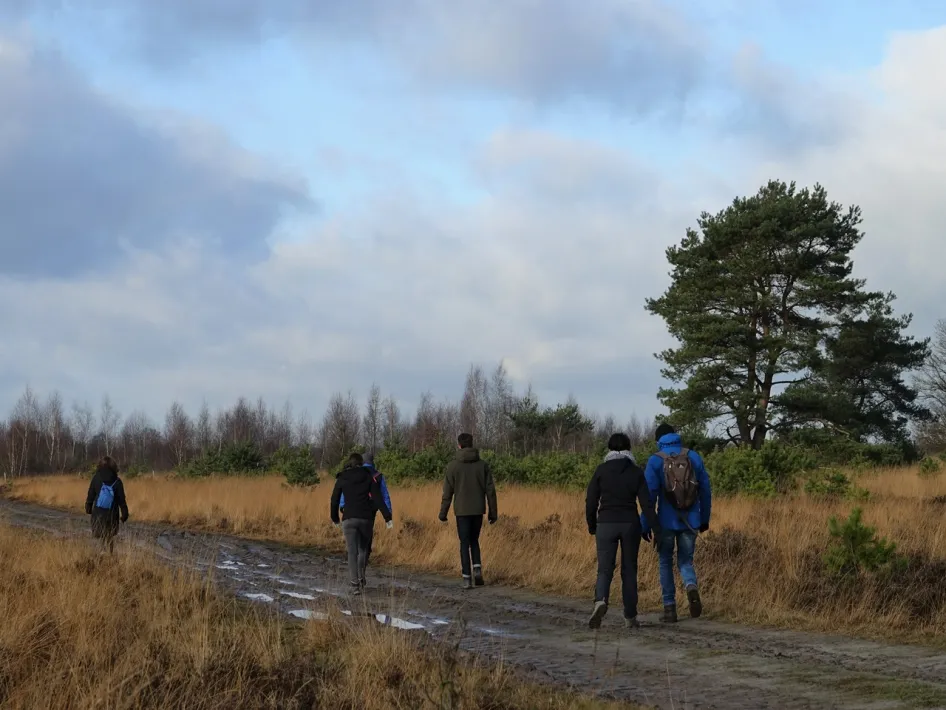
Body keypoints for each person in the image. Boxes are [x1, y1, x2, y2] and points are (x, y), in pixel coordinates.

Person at [585, 432, 659, 630]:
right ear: (629, 449)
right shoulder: (636, 472)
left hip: (606, 523)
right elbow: (647, 504)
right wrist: (654, 527)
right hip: (629, 524)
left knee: (604, 569)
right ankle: (630, 616)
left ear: (609, 449)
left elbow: (591, 500)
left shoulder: (601, 470)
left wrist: (592, 525)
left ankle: (600, 600)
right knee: (629, 570)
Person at [640, 423, 712, 623]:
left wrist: (645, 525)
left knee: (664, 562)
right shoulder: (693, 456)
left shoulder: (655, 461)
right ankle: (690, 585)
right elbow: (705, 490)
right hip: (691, 521)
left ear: (659, 440)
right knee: (685, 561)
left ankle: (670, 608)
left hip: (666, 522)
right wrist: (704, 519)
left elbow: (649, 497)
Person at [438, 432, 497, 589]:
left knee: (464, 543)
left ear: (459, 445)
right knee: (474, 541)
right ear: (472, 444)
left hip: (462, 511)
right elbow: (490, 491)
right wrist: (493, 512)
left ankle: (466, 578)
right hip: (478, 510)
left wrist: (443, 513)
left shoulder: (452, 466)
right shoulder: (482, 465)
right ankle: (477, 569)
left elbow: (447, 493)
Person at [330, 452, 393, 594]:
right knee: (363, 550)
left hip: (349, 519)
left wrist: (335, 518)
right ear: (361, 463)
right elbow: (378, 498)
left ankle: (354, 585)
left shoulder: (342, 477)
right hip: (366, 519)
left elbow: (334, 499)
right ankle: (361, 577)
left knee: (352, 552)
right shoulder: (368, 477)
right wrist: (387, 517)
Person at [84, 456, 129, 554]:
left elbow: (90, 494)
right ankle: (109, 556)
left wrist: (88, 507)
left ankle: (100, 556)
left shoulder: (96, 478)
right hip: (112, 515)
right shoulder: (117, 481)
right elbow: (122, 500)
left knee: (99, 538)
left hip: (98, 514)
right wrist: (125, 514)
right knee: (109, 537)